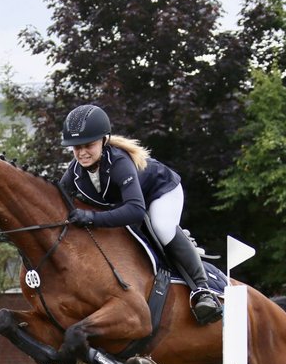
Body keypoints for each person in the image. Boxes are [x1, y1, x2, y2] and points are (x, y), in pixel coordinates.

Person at [59, 104, 222, 325]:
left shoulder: (119, 163)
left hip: (160, 191)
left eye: (88, 145)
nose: (82, 153)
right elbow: (57, 202)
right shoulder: (74, 173)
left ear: (104, 141)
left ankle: (203, 291)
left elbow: (135, 210)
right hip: (132, 201)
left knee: (161, 228)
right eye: (76, 147)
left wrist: (91, 218)